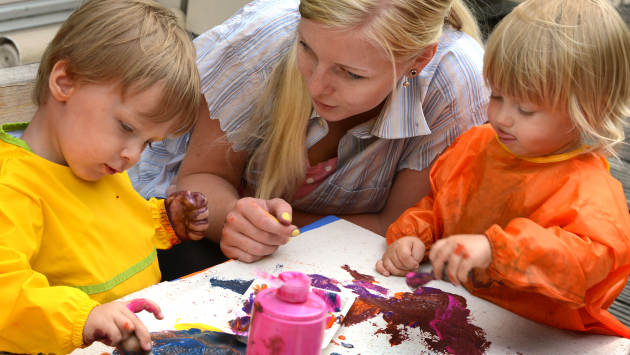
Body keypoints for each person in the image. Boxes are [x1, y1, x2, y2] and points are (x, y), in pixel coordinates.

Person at [129, 0, 489, 271]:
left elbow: (397, 228)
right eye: (307, 49)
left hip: (347, 264)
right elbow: (198, 178)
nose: (316, 85)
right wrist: (234, 219)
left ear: (419, 61)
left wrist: (276, 233)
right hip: (189, 236)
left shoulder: (453, 81)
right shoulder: (262, 41)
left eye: (351, 74)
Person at [377, 0, 630, 337]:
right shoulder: (479, 145)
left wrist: (495, 250)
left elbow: (581, 262)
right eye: (496, 95)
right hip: (457, 309)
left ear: (590, 111)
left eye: (525, 109)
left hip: (539, 333)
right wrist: (414, 235)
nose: (501, 117)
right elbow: (440, 205)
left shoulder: (589, 194)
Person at [0, 0, 209, 353]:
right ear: (65, 82)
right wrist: (82, 319)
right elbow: (6, 292)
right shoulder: (13, 186)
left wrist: (164, 221)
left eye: (148, 141)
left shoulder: (98, 161)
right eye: (127, 126)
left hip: (142, 333)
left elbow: (106, 232)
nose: (133, 154)